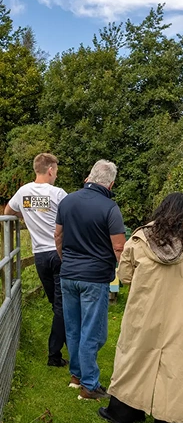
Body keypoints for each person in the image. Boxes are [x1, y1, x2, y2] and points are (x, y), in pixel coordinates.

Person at [98, 192, 183, 423]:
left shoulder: (140, 239)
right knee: (179, 369)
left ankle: (124, 413)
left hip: (144, 312)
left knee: (135, 359)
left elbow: (126, 274)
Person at [54, 159, 126, 400]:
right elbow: (119, 247)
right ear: (111, 183)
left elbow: (58, 237)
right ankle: (90, 385)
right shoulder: (110, 207)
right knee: (93, 332)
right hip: (95, 277)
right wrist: (121, 271)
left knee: (73, 328)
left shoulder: (67, 201)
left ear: (89, 177)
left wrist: (67, 262)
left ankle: (76, 376)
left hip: (69, 274)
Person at [4, 153, 68, 367]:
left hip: (40, 255)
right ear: (50, 170)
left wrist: (27, 216)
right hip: (59, 253)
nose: (56, 175)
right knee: (61, 306)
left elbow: (8, 211)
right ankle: (54, 355)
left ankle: (64, 346)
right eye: (56, 171)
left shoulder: (23, 192)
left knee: (56, 304)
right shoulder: (58, 194)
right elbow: (72, 218)